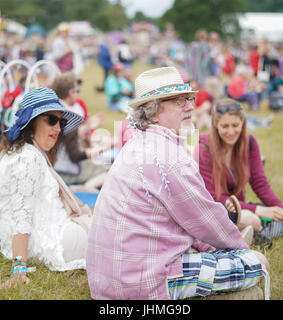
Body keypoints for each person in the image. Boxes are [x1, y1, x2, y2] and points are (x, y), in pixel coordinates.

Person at [86, 67, 270, 300]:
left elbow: (185, 220)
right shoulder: (170, 158)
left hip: (106, 281)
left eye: (189, 99)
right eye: (179, 101)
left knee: (233, 268)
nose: (190, 107)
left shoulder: (137, 143)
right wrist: (240, 251)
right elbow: (205, 220)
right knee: (258, 264)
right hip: (144, 284)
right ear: (153, 113)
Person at [0, 88, 92, 288]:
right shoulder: (28, 158)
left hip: (45, 235)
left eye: (61, 123)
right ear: (32, 122)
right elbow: (21, 214)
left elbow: (12, 205)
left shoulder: (25, 151)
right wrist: (19, 269)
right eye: (51, 120)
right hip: (50, 242)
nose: (57, 128)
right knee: (112, 230)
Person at [194, 99, 283, 235]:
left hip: (243, 207)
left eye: (235, 125)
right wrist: (258, 210)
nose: (231, 132)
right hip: (219, 211)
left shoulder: (249, 143)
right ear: (215, 125)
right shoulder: (203, 148)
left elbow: (260, 184)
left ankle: (264, 230)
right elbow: (214, 198)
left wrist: (281, 210)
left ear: (242, 123)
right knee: (250, 218)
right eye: (225, 126)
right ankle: (266, 230)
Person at [50, 73, 111, 190]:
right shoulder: (68, 115)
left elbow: (68, 137)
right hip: (65, 171)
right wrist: (100, 149)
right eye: (77, 90)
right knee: (110, 170)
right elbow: (75, 155)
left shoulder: (55, 109)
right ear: (70, 92)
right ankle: (85, 189)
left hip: (56, 166)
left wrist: (87, 127)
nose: (78, 94)